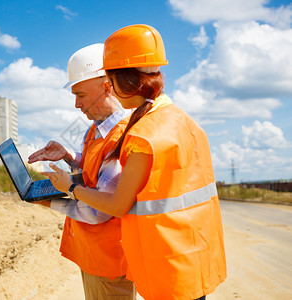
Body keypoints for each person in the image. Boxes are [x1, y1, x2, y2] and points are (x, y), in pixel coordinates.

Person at [42, 25, 227, 300]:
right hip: (194, 253)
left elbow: (116, 204)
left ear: (118, 82)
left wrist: (69, 188)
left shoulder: (143, 134)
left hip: (166, 261)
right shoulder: (182, 120)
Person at [28, 43, 136, 299]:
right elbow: (94, 171)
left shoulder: (121, 136)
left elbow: (99, 211)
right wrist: (68, 156)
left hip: (109, 261)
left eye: (81, 95)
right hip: (96, 255)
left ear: (107, 86)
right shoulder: (95, 129)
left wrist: (51, 201)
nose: (77, 105)